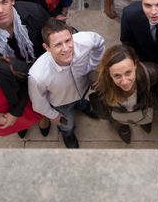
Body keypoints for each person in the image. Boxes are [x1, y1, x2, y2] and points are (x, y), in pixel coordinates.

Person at [28, 19, 105, 148]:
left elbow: (99, 42)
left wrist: (94, 65)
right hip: (61, 104)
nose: (66, 48)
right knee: (67, 124)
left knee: (81, 101)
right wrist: (54, 115)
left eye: (68, 40)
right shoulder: (38, 76)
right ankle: (68, 135)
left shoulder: (86, 40)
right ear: (47, 47)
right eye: (58, 44)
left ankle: (83, 105)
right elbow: (38, 103)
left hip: (82, 89)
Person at [90, 45, 158, 144]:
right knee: (118, 122)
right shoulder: (97, 82)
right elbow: (101, 102)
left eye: (128, 73)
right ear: (108, 73)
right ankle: (122, 128)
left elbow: (155, 89)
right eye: (117, 76)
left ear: (135, 65)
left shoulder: (150, 72)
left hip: (142, 108)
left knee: (144, 119)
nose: (125, 82)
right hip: (115, 114)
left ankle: (143, 122)